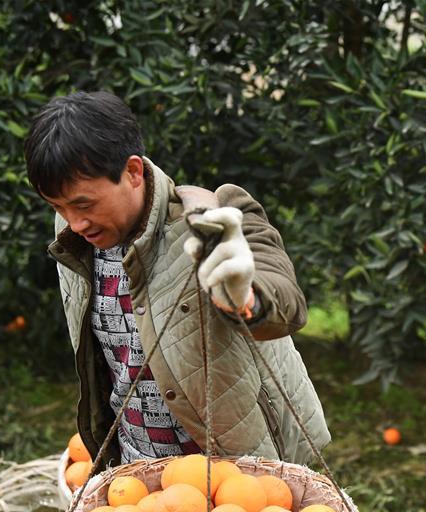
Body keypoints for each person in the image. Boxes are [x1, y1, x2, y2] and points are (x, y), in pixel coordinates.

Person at [24, 91, 330, 469]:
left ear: (133, 172)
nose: (75, 222)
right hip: (140, 476)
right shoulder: (75, 240)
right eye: (58, 206)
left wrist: (246, 295)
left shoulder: (214, 222)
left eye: (85, 204)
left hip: (236, 478)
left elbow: (287, 307)